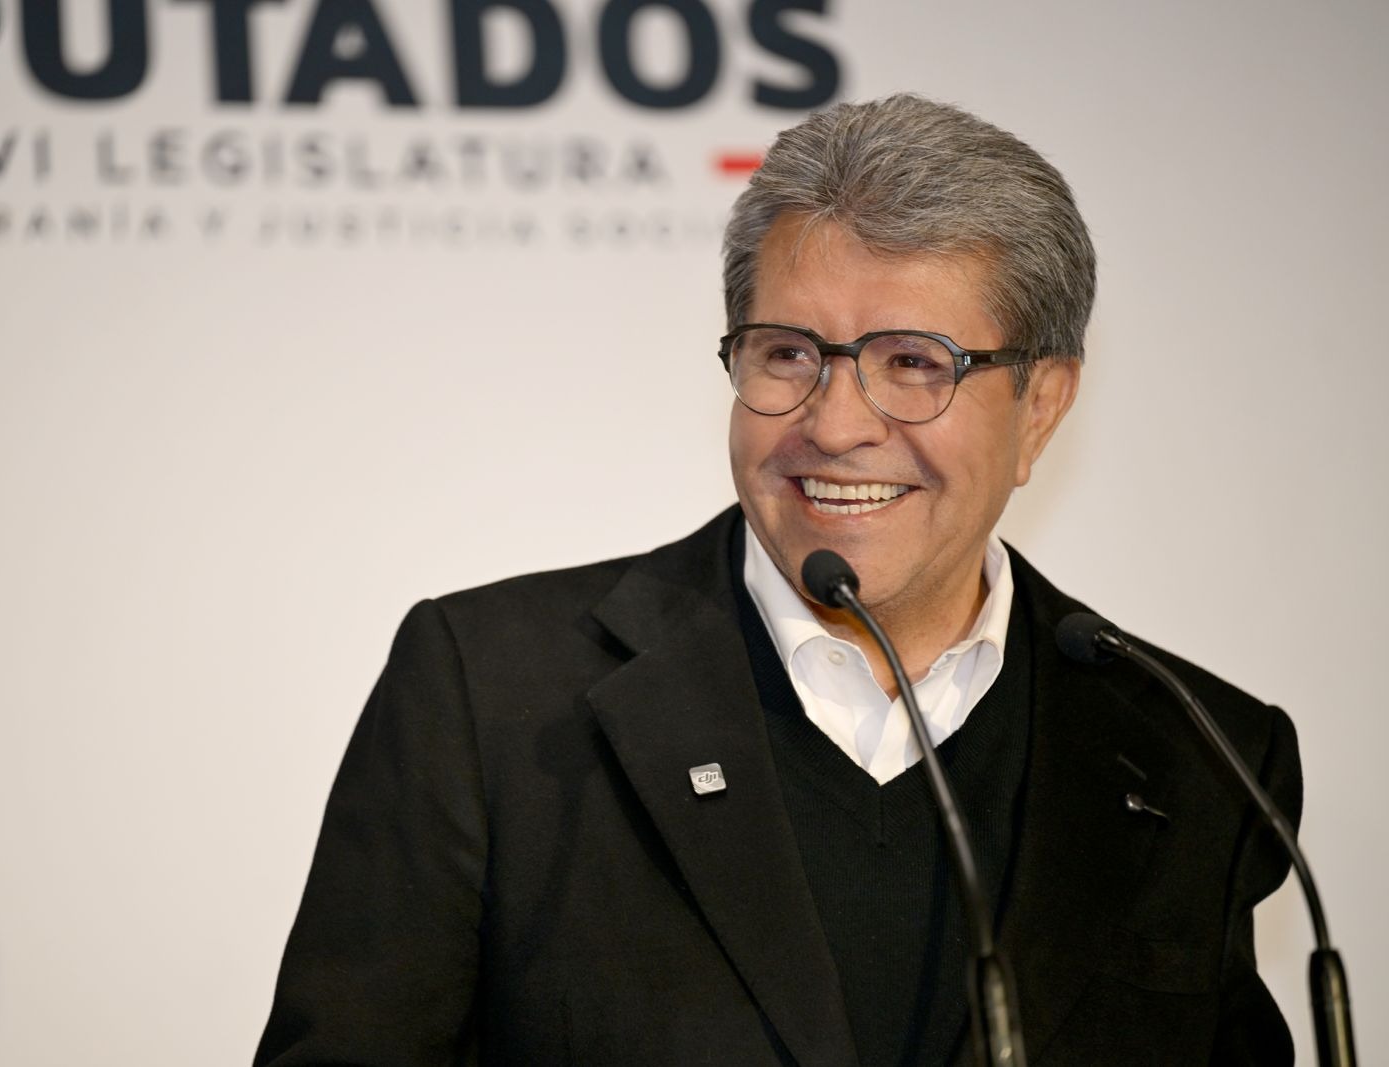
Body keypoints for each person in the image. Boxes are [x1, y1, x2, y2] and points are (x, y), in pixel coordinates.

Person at [253, 94, 1301, 1066]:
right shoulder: (492, 695)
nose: (835, 425)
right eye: (789, 353)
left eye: (912, 362)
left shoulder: (1198, 753)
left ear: (1041, 405)